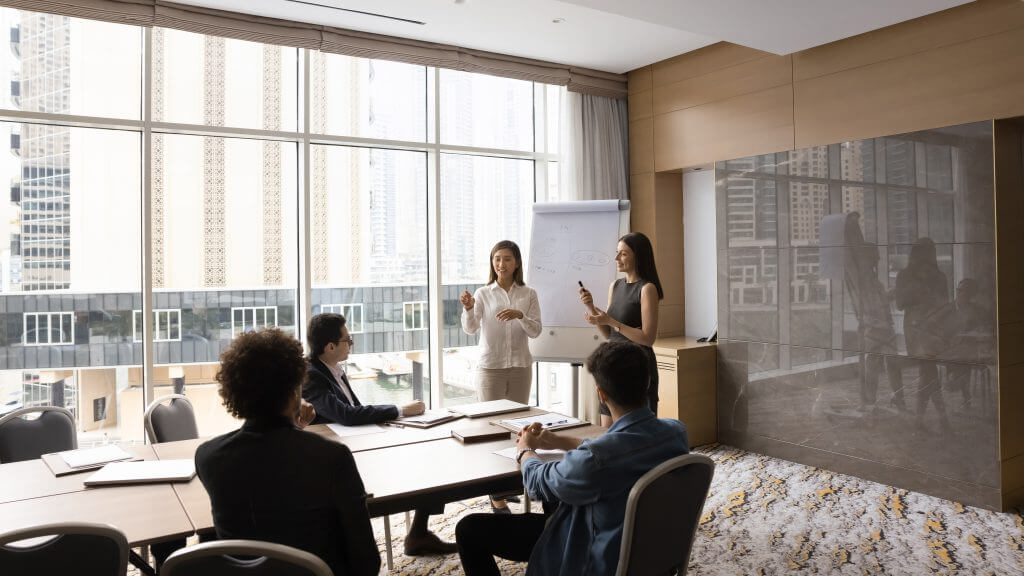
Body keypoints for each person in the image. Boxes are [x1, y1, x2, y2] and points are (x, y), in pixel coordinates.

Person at [454, 340, 689, 576]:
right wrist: (556, 441)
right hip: (647, 545)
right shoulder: (676, 432)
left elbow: (538, 483)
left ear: (601, 394)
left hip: (595, 554)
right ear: (647, 382)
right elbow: (619, 448)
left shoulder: (595, 459)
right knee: (557, 500)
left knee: (468, 528)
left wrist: (525, 450)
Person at [195, 327, 380, 576]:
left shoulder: (208, 456)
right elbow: (366, 562)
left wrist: (294, 427)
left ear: (234, 391)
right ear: (295, 390)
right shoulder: (331, 457)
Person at [303, 312, 456, 555]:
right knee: (420, 465)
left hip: (360, 441)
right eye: (348, 340)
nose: (351, 345)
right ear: (330, 346)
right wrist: (399, 410)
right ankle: (417, 535)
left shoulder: (334, 368)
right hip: (341, 458)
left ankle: (418, 533)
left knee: (429, 457)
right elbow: (345, 414)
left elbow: (355, 410)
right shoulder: (311, 375)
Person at [461, 240, 542, 512]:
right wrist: (469, 308)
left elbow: (536, 331)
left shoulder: (528, 293)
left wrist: (520, 314)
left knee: (517, 429)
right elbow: (471, 328)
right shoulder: (484, 293)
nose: (501, 264)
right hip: (490, 369)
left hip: (520, 367)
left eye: (507, 259)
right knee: (492, 429)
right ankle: (496, 495)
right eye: (497, 258)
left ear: (516, 262)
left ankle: (508, 485)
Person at [579, 232, 663, 425]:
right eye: (617, 253)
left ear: (638, 256)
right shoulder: (615, 286)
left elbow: (647, 338)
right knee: (607, 431)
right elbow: (609, 333)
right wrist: (591, 307)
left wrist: (612, 321)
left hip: (637, 366)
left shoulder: (647, 288)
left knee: (638, 431)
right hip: (612, 365)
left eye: (623, 254)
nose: (616, 258)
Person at [893, 237, 951, 432]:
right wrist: (919, 289)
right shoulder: (905, 275)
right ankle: (940, 419)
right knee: (929, 371)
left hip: (934, 328)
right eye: (925, 252)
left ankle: (922, 419)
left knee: (928, 372)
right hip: (915, 329)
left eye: (931, 252)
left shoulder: (940, 276)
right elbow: (899, 303)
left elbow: (946, 304)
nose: (929, 256)